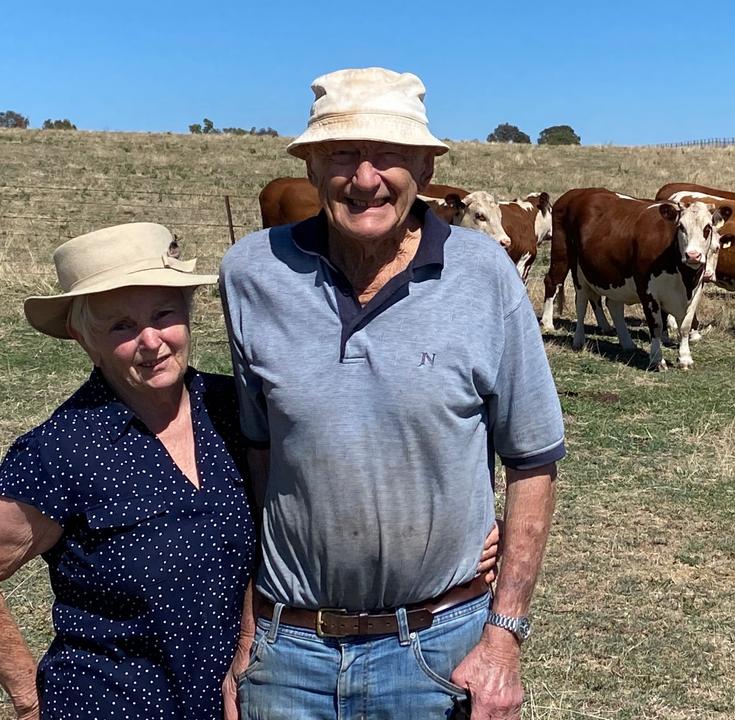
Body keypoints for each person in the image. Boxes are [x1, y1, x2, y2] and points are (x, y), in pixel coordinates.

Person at [219, 67, 564, 720]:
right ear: (312, 167)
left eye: (390, 155)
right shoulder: (251, 274)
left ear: (426, 169)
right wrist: (248, 634)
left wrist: (504, 636)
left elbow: (533, 462)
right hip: (288, 652)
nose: (366, 176)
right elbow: (263, 459)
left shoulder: (484, 275)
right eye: (343, 153)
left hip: (437, 649)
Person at [0, 223, 254, 720]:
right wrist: (28, 697)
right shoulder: (61, 450)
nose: (151, 341)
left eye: (164, 314)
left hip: (237, 698)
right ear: (82, 337)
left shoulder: (235, 410)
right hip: (110, 703)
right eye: (121, 326)